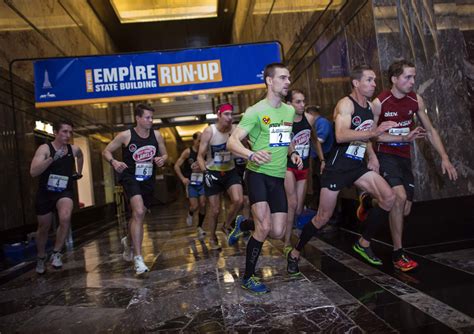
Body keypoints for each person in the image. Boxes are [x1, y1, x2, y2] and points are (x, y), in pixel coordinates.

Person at [286, 64, 397, 276]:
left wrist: (375, 154)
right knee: (322, 218)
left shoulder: (371, 108)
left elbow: (369, 136)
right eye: (369, 80)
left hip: (357, 166)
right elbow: (341, 135)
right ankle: (295, 252)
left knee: (389, 197)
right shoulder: (346, 104)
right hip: (337, 169)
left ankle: (363, 243)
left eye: (374, 80)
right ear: (356, 83)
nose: (374, 84)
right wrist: (373, 132)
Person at [361, 59, 458, 271]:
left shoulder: (416, 100)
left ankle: (372, 202)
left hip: (404, 158)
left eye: (413, 77)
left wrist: (444, 157)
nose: (412, 81)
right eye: (407, 77)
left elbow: (430, 130)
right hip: (386, 156)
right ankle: (398, 254)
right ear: (394, 79)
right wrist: (372, 157)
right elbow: (369, 134)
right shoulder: (380, 102)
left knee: (404, 210)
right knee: (399, 197)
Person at [227, 62, 302, 294]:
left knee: (278, 232)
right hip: (257, 174)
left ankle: (243, 223)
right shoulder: (255, 111)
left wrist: (294, 152)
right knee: (265, 227)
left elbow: (286, 136)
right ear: (270, 81)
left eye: (289, 78)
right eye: (282, 78)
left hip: (278, 176)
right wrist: (251, 154)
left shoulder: (289, 111)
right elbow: (232, 141)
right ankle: (248, 277)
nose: (288, 82)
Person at [103, 103, 168, 275]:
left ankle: (128, 240)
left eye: (152, 117)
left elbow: (165, 154)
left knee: (138, 214)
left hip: (148, 178)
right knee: (138, 211)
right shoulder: (125, 136)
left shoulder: (157, 135)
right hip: (130, 177)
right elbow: (106, 151)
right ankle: (138, 259)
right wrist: (114, 162)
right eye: (147, 117)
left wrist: (162, 159)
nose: (150, 120)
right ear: (137, 118)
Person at [30, 119, 83, 274]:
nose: (68, 135)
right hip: (46, 193)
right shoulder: (45, 149)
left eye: (70, 132)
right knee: (43, 227)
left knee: (65, 217)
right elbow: (33, 172)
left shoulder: (73, 149)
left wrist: (79, 172)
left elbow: (80, 155)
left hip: (64, 190)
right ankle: (41, 257)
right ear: (55, 133)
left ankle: (57, 253)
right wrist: (52, 158)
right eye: (64, 132)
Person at [282, 90, 325, 256]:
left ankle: (289, 228)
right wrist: (292, 152)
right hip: (288, 166)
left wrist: (322, 160)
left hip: (304, 168)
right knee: (292, 204)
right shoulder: (285, 120)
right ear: (289, 104)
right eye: (297, 102)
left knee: (299, 209)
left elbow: (314, 139)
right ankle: (286, 242)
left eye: (303, 101)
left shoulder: (309, 118)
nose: (302, 105)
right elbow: (284, 140)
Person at [197, 103, 243, 250]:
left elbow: (245, 147)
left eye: (231, 114)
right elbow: (199, 156)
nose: (230, 117)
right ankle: (212, 237)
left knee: (238, 200)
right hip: (213, 173)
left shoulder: (235, 130)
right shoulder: (209, 132)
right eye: (226, 114)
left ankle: (226, 224)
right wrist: (205, 173)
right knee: (215, 210)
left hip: (230, 171)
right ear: (218, 115)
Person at [174, 132, 206, 238]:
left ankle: (199, 227)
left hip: (202, 182)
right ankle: (190, 213)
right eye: (199, 141)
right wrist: (183, 178)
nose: (201, 143)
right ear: (194, 141)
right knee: (195, 206)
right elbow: (176, 166)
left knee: (203, 204)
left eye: (202, 140)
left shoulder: (205, 151)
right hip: (192, 184)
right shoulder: (188, 152)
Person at [307, 105, 334, 209]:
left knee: (323, 185)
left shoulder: (322, 122)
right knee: (316, 186)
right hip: (317, 158)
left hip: (325, 158)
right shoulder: (315, 123)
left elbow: (320, 140)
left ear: (311, 114)